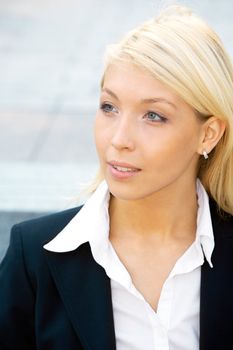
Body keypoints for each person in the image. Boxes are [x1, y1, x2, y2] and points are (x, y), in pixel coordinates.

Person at [1, 4, 233, 350]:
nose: (119, 139)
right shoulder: (33, 257)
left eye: (153, 116)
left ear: (208, 134)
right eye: (109, 107)